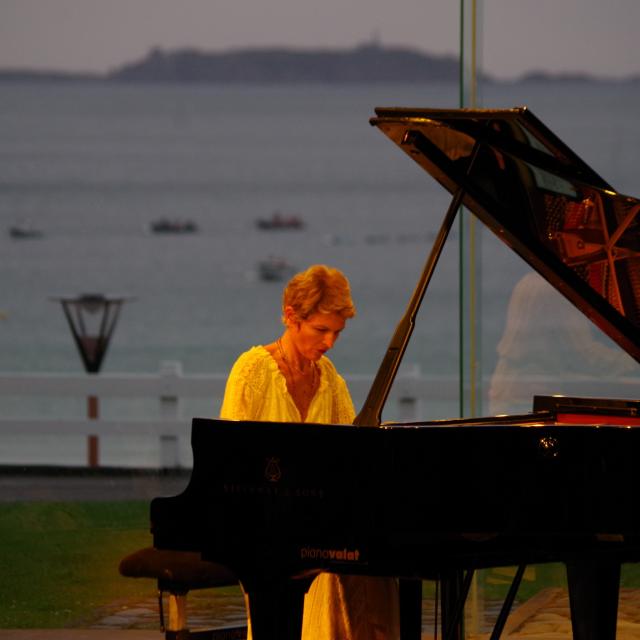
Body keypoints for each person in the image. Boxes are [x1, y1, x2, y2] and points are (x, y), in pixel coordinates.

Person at [220, 264, 400, 640]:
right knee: (333, 568)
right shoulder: (252, 371)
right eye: (322, 330)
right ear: (290, 317)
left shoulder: (330, 380)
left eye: (337, 332)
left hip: (319, 527)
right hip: (265, 530)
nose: (330, 342)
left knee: (374, 564)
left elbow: (355, 456)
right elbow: (229, 463)